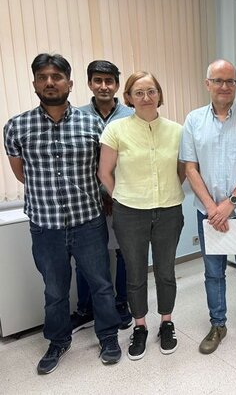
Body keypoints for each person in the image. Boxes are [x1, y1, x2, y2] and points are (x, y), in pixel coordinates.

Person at [3, 53, 122, 374]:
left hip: (88, 222)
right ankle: (58, 341)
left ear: (70, 83)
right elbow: (21, 174)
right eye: (43, 77)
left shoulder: (93, 124)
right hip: (46, 226)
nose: (50, 82)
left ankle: (108, 337)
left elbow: (103, 170)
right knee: (55, 291)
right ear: (34, 84)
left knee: (101, 284)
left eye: (56, 76)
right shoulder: (16, 126)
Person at [180, 59, 236, 358]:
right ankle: (217, 325)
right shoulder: (194, 120)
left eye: (230, 81)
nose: (224, 86)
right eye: (218, 80)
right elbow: (190, 167)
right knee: (213, 273)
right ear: (207, 84)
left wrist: (229, 204)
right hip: (208, 214)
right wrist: (212, 207)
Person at [97, 71, 185, 360]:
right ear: (129, 98)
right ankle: (140, 326)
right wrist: (122, 197)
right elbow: (104, 172)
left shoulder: (177, 131)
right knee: (135, 274)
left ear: (159, 94)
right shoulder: (116, 130)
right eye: (139, 92)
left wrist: (167, 192)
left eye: (151, 91)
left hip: (169, 211)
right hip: (129, 214)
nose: (146, 97)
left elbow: (182, 171)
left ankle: (166, 322)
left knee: (165, 271)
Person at [72, 60, 134, 333]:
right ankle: (86, 309)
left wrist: (114, 193)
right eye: (98, 80)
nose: (104, 86)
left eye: (109, 81)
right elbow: (79, 163)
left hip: (124, 198)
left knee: (125, 253)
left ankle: (121, 304)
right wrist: (102, 192)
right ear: (89, 84)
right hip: (89, 200)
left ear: (117, 85)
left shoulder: (131, 116)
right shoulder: (77, 117)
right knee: (86, 257)